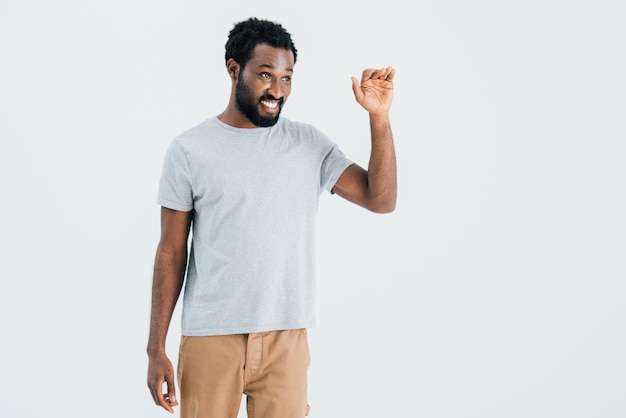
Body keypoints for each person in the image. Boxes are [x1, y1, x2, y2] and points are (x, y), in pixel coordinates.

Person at [146, 16, 397, 418]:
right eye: (266, 75)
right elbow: (171, 252)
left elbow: (380, 198)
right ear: (233, 69)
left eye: (286, 78)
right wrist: (155, 348)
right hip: (211, 337)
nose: (277, 91)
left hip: (286, 337)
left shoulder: (307, 143)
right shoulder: (190, 150)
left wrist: (378, 118)